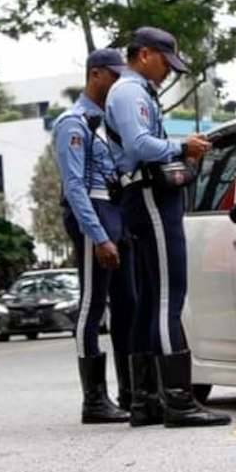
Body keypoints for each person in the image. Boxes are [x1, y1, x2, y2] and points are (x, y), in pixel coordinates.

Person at [105, 26, 231, 428]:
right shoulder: (130, 92)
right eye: (165, 62)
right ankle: (178, 401)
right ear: (144, 55)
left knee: (150, 299)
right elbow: (139, 145)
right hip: (150, 195)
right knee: (167, 296)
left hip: (146, 196)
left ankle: (146, 400)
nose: (168, 72)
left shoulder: (134, 91)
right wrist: (182, 147)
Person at [54, 47, 137, 424]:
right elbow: (74, 186)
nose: (119, 82)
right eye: (114, 75)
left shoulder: (107, 121)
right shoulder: (73, 123)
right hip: (95, 216)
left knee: (127, 304)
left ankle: (131, 391)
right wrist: (99, 236)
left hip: (117, 213)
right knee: (92, 306)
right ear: (95, 75)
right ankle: (94, 400)